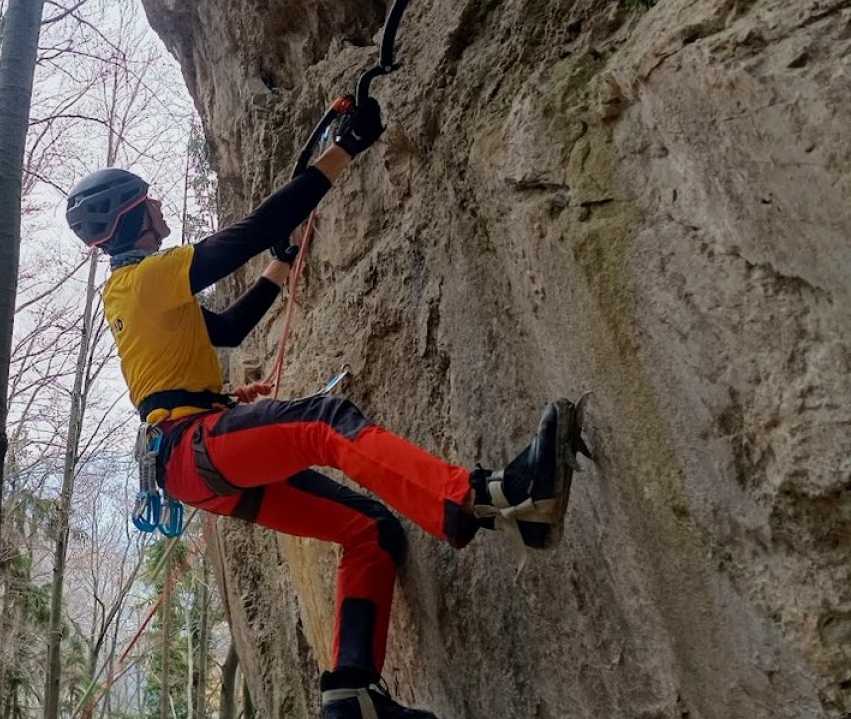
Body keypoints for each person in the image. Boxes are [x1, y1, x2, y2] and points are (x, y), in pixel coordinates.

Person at [64, 99, 581, 719]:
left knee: (369, 530)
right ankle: (491, 498)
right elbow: (248, 232)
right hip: (193, 446)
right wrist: (344, 151)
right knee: (323, 422)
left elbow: (225, 330)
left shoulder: (133, 293)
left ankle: (351, 691)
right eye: (147, 201)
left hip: (192, 463)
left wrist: (279, 270)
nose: (157, 208)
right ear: (131, 215)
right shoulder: (145, 278)